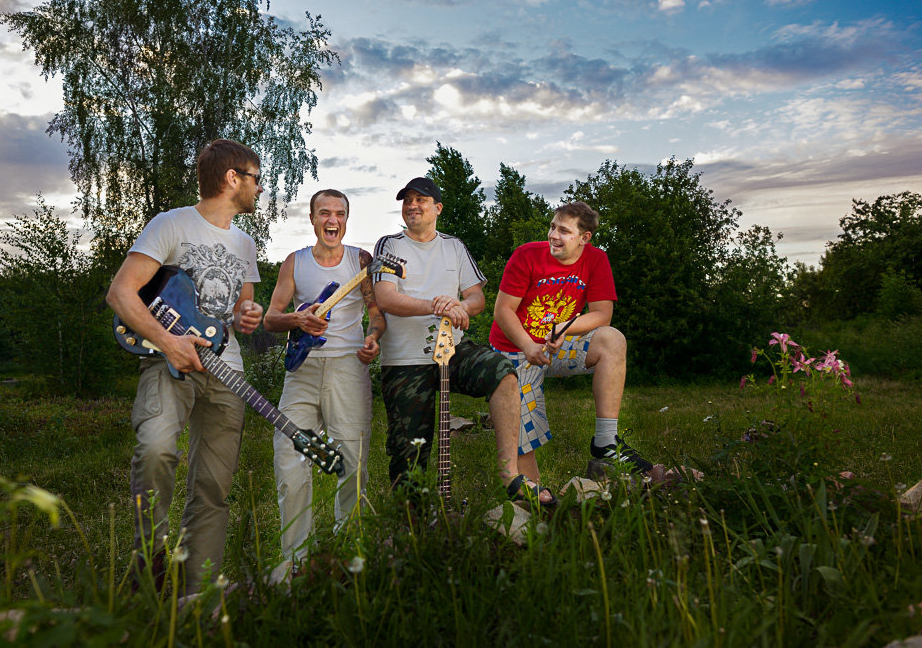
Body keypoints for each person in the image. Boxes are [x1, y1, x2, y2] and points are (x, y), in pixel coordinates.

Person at [106, 139, 264, 593]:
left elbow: (240, 311)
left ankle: (199, 594)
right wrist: (169, 343)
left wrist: (247, 317)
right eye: (255, 178)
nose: (258, 188)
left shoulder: (245, 242)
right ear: (233, 178)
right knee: (155, 448)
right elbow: (121, 293)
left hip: (227, 371)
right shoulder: (171, 224)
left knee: (213, 488)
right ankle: (149, 569)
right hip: (168, 364)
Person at [374, 177, 538, 502]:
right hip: (405, 361)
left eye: (420, 200)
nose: (412, 205)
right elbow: (386, 298)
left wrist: (460, 306)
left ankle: (510, 473)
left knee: (502, 372)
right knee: (408, 461)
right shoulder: (389, 245)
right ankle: (414, 526)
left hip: (452, 349)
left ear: (437, 208)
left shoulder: (454, 246)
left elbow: (476, 298)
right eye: (407, 200)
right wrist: (438, 305)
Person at [490, 201, 653, 496]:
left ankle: (606, 441)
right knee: (525, 431)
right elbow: (502, 312)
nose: (553, 235)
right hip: (514, 350)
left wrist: (562, 329)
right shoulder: (526, 255)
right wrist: (528, 345)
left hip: (557, 346)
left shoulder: (596, 259)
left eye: (564, 231)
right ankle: (535, 499)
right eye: (553, 226)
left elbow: (602, 314)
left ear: (584, 237)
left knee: (611, 338)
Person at [263, 189, 385, 562]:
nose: (332, 220)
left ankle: (349, 549)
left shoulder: (361, 260)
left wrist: (373, 336)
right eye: (324, 213)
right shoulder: (294, 263)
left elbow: (376, 313)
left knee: (352, 459)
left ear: (347, 220)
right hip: (302, 370)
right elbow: (270, 319)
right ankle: (295, 558)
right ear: (313, 219)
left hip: (349, 367)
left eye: (340, 214)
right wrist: (297, 318)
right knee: (290, 458)